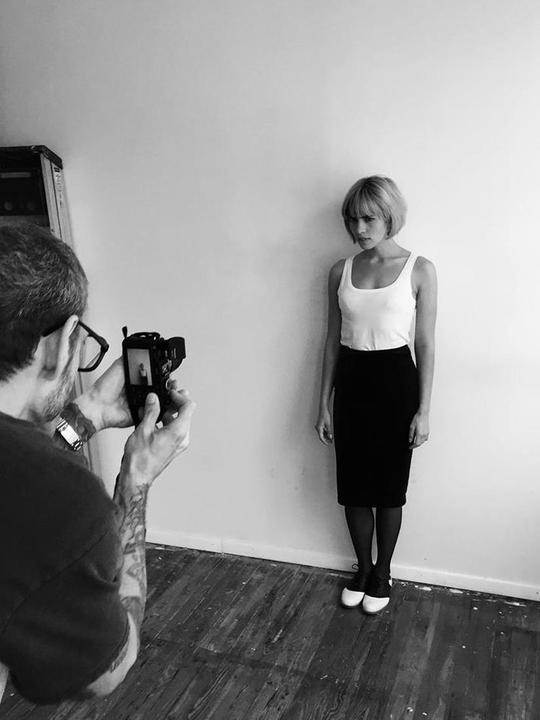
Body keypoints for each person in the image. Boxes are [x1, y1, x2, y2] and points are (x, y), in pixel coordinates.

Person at [0, 223, 196, 705]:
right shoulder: (63, 500)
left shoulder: (30, 486)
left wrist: (88, 415)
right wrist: (135, 482)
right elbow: (108, 669)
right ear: (60, 343)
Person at [315, 176, 437, 614]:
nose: (359, 228)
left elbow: (425, 344)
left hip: (396, 383)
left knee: (388, 489)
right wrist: (323, 403)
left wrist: (424, 410)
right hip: (352, 381)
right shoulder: (340, 271)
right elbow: (332, 341)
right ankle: (362, 570)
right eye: (352, 219)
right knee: (353, 487)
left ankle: (383, 572)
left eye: (368, 218)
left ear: (389, 216)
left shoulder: (420, 269)